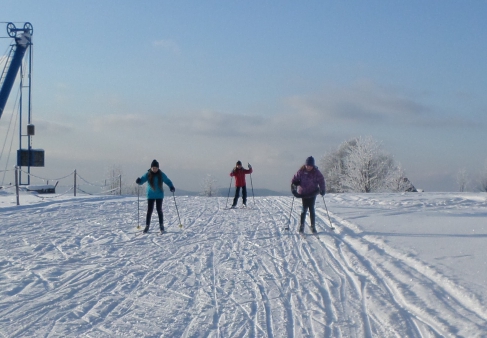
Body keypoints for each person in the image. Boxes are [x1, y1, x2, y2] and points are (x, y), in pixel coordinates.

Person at [136, 159, 175, 233]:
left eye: (156, 168)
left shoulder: (161, 174)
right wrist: (139, 181)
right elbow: (142, 180)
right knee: (149, 210)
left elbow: (167, 180)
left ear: (158, 168)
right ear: (151, 168)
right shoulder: (148, 174)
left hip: (159, 195)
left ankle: (161, 225)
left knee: (159, 210)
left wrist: (171, 186)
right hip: (150, 195)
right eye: (153, 168)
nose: (155, 169)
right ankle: (147, 226)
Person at [291, 156, 325, 234]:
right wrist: (294, 189)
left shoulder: (316, 172)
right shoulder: (301, 171)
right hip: (304, 193)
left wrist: (322, 189)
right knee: (304, 209)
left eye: (310, 165)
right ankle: (302, 225)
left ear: (313, 165)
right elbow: (294, 180)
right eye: (307, 165)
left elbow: (321, 180)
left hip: (313, 192)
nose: (309, 167)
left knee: (311, 208)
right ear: (305, 165)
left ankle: (313, 226)